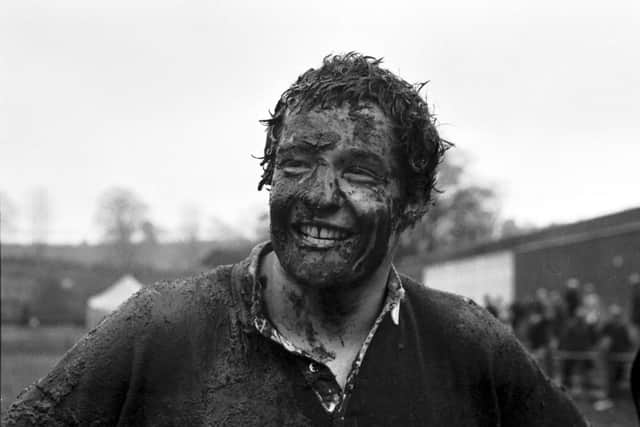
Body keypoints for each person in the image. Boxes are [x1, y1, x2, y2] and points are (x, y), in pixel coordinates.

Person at [3, 53, 587, 426]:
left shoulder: (469, 346)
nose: (318, 194)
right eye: (297, 163)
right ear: (268, 176)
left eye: (358, 172)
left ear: (409, 203)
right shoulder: (159, 329)